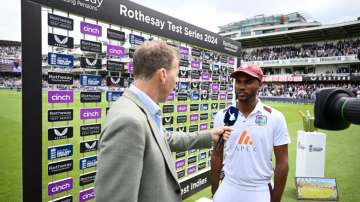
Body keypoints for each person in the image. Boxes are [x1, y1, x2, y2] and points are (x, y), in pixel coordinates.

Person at [95, 41, 232, 202]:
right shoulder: (129, 121)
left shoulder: (141, 109)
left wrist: (209, 136)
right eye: (177, 73)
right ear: (163, 75)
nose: (177, 81)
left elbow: (163, 139)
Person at [212, 64, 290, 202]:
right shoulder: (222, 115)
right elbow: (217, 154)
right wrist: (215, 189)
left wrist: (276, 199)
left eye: (248, 82)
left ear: (259, 83)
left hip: (259, 189)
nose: (241, 86)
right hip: (229, 185)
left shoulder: (275, 117)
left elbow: (282, 163)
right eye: (238, 81)